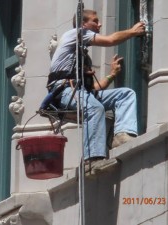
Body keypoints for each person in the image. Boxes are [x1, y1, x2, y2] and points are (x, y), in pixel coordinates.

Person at [48, 9, 146, 168]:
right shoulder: (76, 33)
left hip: (77, 92)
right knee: (95, 108)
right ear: (83, 24)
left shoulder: (80, 55)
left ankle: (122, 135)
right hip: (63, 91)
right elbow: (110, 40)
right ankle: (91, 160)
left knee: (125, 94)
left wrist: (112, 75)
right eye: (95, 21)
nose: (99, 24)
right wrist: (133, 32)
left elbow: (93, 88)